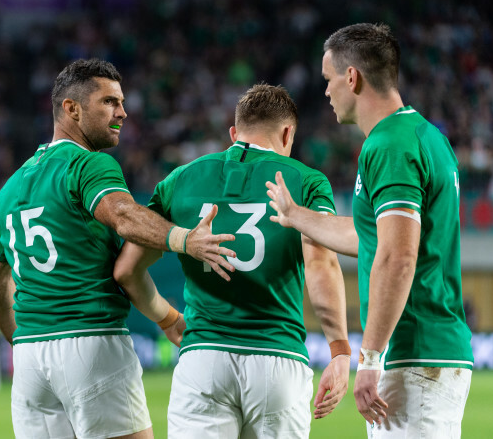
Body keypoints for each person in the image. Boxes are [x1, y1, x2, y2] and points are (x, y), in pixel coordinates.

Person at [0, 58, 236, 439]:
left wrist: (19, 341)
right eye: (110, 102)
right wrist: (184, 239)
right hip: (91, 342)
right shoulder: (88, 165)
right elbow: (121, 214)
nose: (123, 112)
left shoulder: (11, 187)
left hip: (31, 358)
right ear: (72, 109)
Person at [266, 23, 473, 438]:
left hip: (413, 353)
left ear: (352, 78)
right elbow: (373, 238)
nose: (325, 92)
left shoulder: (389, 145)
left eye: (328, 79)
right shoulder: (426, 137)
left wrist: (371, 359)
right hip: (431, 350)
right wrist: (296, 215)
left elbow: (398, 256)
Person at [114, 83, 351, 439]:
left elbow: (127, 270)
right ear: (287, 134)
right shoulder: (306, 181)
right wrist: (339, 349)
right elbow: (322, 264)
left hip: (203, 359)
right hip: (277, 358)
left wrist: (166, 319)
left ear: (233, 132)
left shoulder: (179, 180)